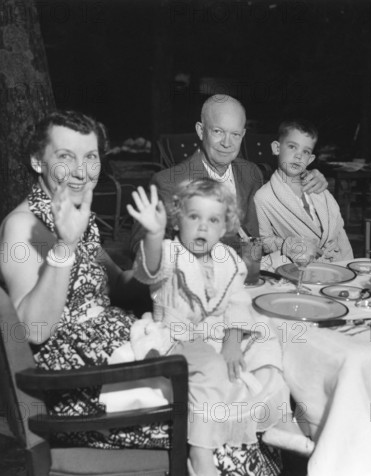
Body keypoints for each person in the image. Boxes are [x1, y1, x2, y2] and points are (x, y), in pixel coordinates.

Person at [0, 110, 166, 449]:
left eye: (90, 157)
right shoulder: (21, 228)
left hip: (120, 358)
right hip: (82, 390)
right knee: (213, 420)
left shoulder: (76, 216)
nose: (81, 171)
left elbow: (123, 288)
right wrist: (65, 246)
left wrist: (156, 242)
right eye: (65, 157)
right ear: (37, 161)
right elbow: (35, 330)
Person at [119, 178, 313, 476]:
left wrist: (233, 341)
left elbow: (237, 302)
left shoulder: (228, 259)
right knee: (210, 370)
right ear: (176, 221)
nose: (202, 227)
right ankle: (201, 452)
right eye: (193, 217)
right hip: (178, 336)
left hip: (219, 333)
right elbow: (148, 271)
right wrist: (154, 235)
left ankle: (279, 420)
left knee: (268, 333)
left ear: (224, 228)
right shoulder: (171, 254)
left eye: (213, 220)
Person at [129, 94, 329, 255]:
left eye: (235, 134)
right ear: (201, 131)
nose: (227, 143)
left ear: (242, 135)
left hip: (255, 280)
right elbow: (138, 249)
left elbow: (277, 195)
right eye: (218, 131)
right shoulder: (167, 182)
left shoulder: (251, 173)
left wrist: (307, 178)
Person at [253, 119, 353, 269]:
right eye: (292, 147)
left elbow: (340, 233)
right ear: (276, 148)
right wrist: (290, 246)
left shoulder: (320, 191)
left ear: (310, 159)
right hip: (299, 268)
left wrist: (349, 267)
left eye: (305, 151)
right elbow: (264, 240)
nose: (298, 156)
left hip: (336, 266)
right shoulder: (264, 197)